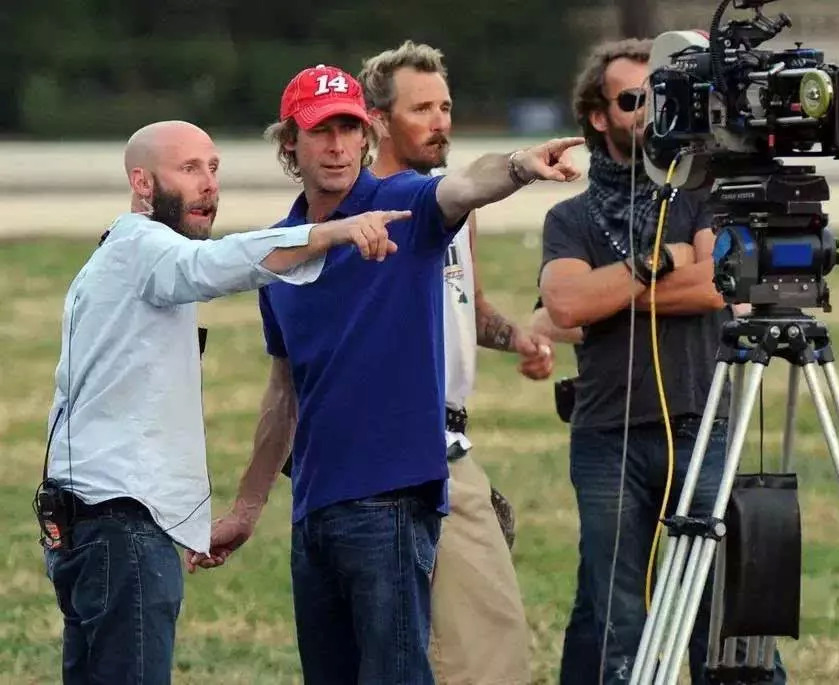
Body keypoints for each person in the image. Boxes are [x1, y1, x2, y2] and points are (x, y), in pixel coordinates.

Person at [189, 64, 582, 684]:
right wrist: (247, 506)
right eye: (321, 131)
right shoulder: (283, 247)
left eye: (349, 129)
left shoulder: (404, 205)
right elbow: (284, 390)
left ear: (368, 136)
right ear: (289, 143)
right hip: (314, 507)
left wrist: (518, 166)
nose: (338, 146)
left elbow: (464, 186)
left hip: (391, 501)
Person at [38, 119, 403, 684]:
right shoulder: (144, 248)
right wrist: (332, 232)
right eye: (188, 169)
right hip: (119, 527)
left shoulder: (117, 255)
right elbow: (212, 265)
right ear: (142, 182)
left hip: (87, 520)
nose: (209, 183)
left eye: (213, 168)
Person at [536, 39, 778, 684]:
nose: (650, 111)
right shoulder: (569, 217)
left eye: (660, 96)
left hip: (702, 423)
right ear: (598, 116)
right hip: (606, 434)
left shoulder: (703, 194)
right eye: (631, 99)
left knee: (723, 605)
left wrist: (611, 295)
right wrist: (664, 261)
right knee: (614, 613)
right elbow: (565, 305)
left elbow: (716, 287)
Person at [359, 40, 555, 685]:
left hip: (450, 438)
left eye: (444, 106)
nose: (440, 121)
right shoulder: (366, 210)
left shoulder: (453, 209)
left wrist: (518, 337)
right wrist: (522, 165)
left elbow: (466, 307)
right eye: (421, 109)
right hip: (400, 445)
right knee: (468, 647)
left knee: (483, 634)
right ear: (378, 120)